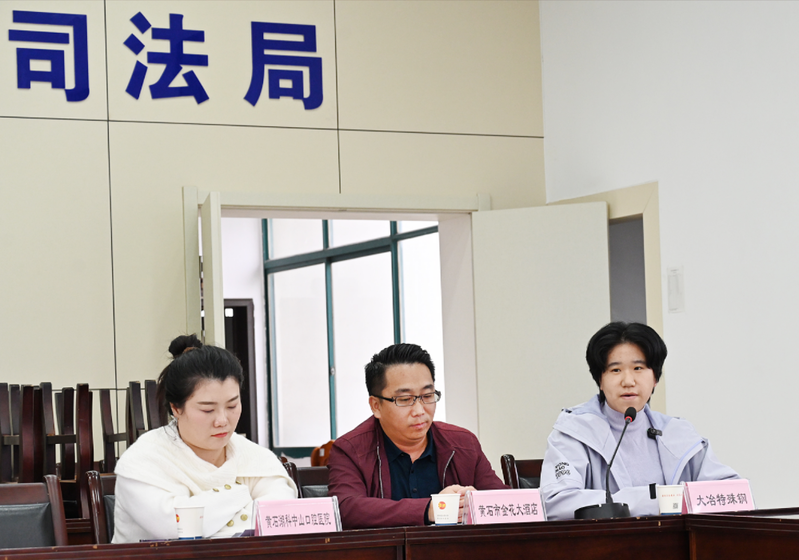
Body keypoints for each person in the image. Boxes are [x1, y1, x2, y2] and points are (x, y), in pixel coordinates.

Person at [540, 322, 738, 520]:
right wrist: (648, 501)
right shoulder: (574, 432)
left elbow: (733, 493)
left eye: (638, 368)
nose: (628, 381)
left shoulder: (678, 433)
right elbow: (556, 504)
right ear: (600, 380)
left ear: (655, 378)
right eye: (615, 370)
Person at [112, 335, 297, 542]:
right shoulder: (144, 460)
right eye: (207, 410)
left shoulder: (255, 456)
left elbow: (282, 517)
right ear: (176, 408)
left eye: (232, 406)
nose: (222, 420)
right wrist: (240, 494)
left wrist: (207, 514)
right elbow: (178, 528)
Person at [328, 343, 506, 529]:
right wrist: (431, 509)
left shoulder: (463, 443)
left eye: (427, 396)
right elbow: (345, 510)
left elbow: (505, 503)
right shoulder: (350, 449)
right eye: (405, 399)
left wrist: (478, 502)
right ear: (376, 406)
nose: (420, 411)